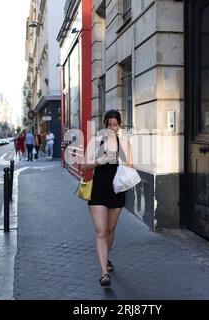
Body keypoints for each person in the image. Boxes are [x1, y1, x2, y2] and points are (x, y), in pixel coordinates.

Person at [82, 109, 133, 287]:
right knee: (101, 231)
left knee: (110, 230)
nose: (112, 128)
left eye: (115, 125)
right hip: (98, 191)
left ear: (119, 126)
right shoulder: (96, 142)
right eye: (109, 124)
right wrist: (99, 160)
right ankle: (104, 272)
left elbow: (130, 167)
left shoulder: (124, 143)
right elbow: (84, 165)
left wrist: (120, 161)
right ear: (104, 125)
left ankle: (106, 257)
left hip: (117, 191)